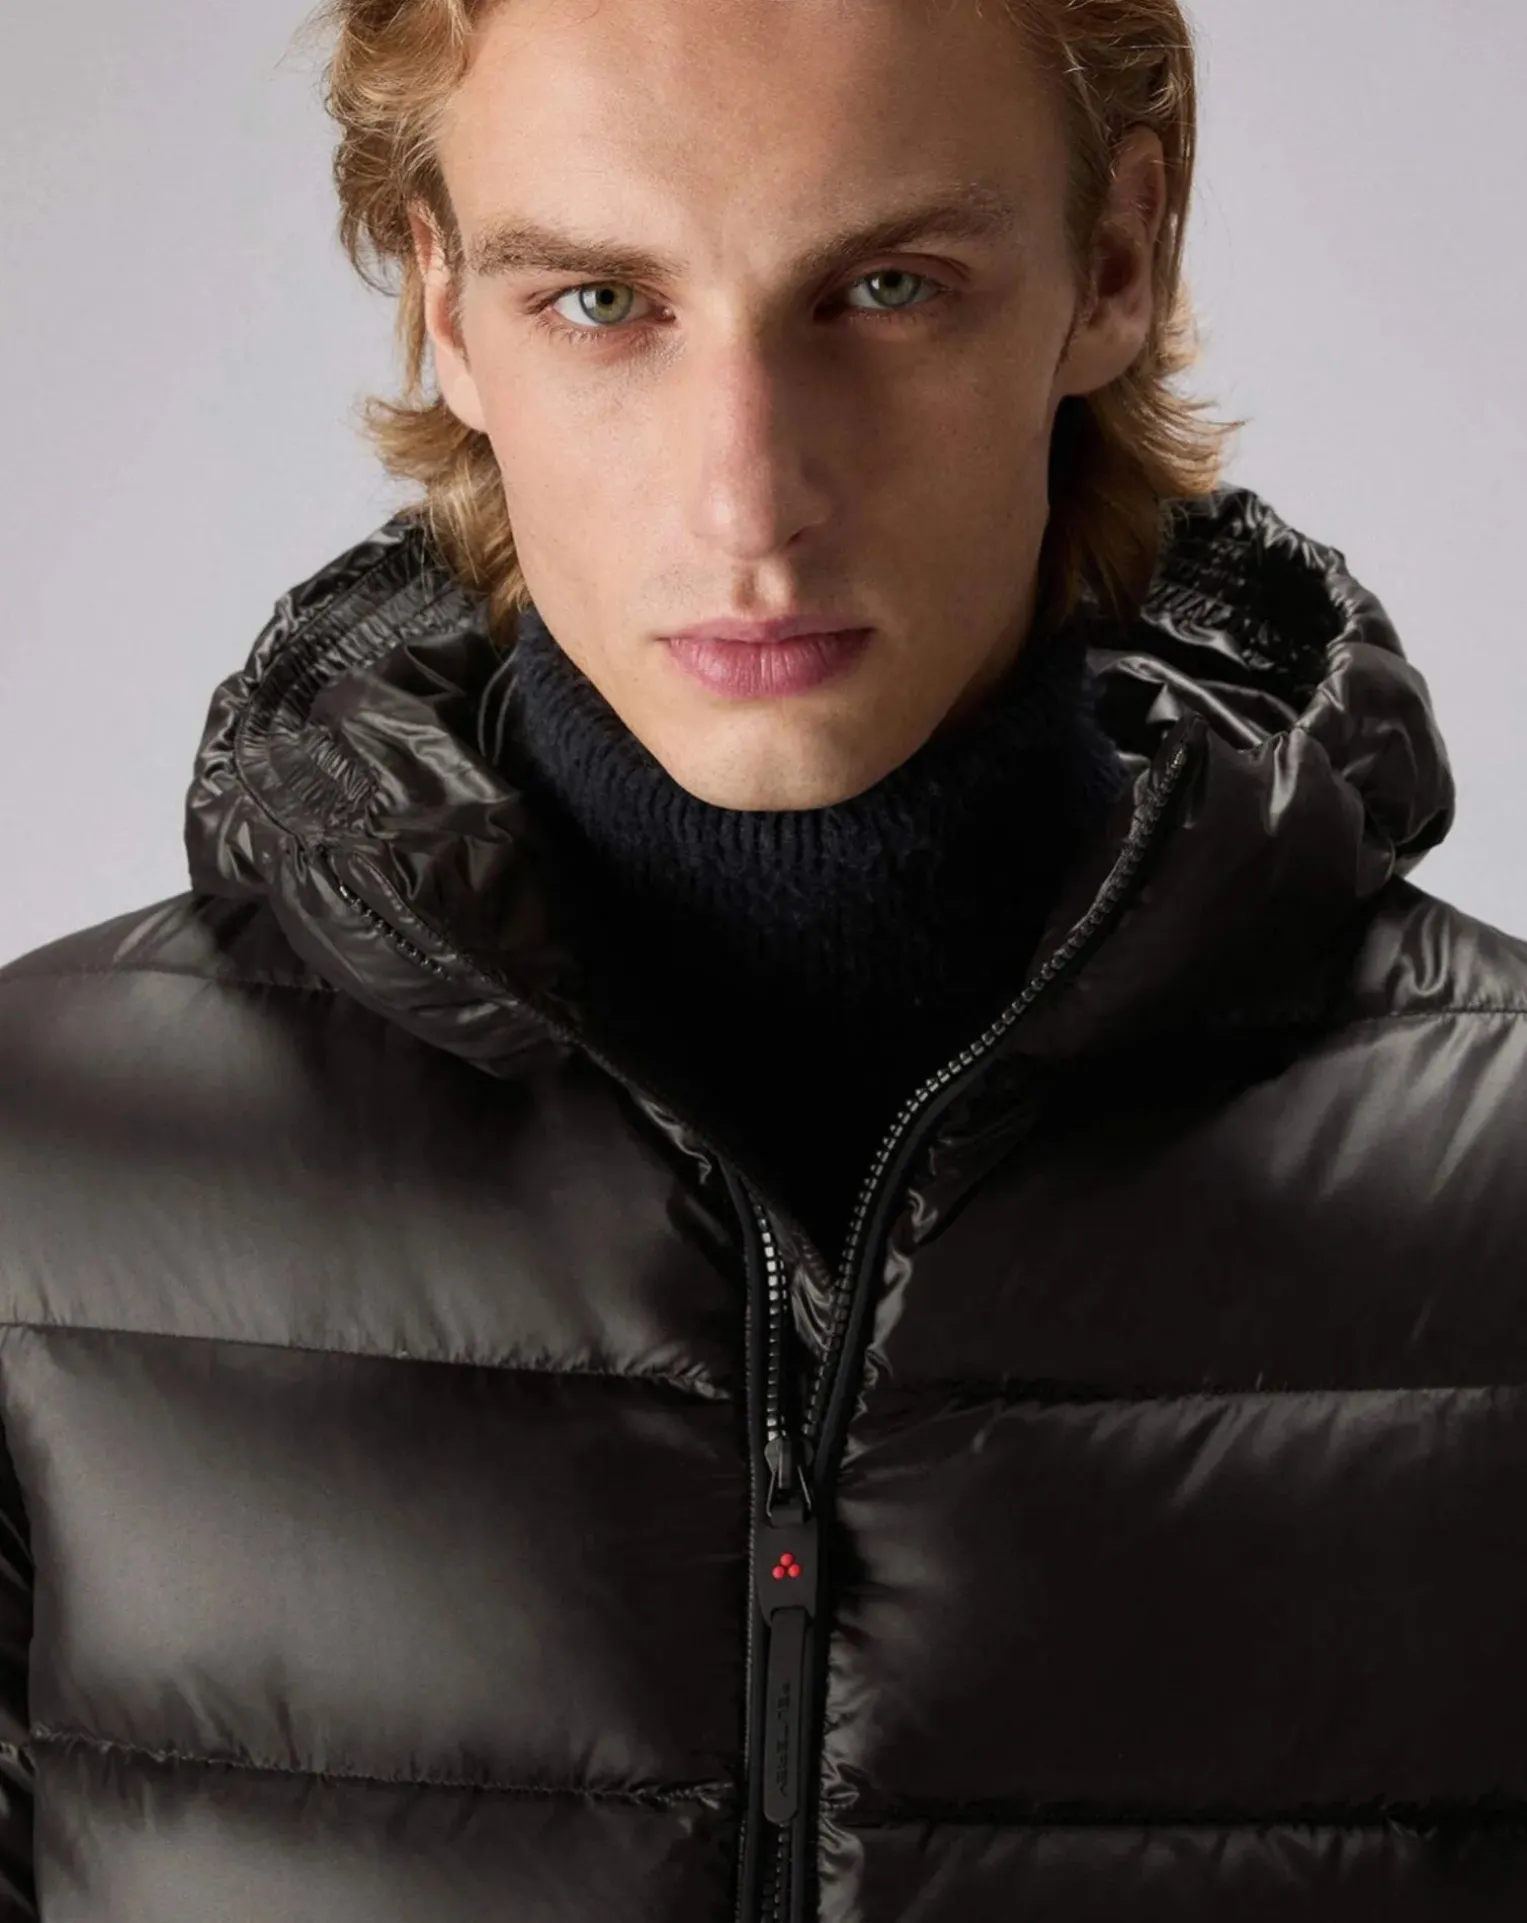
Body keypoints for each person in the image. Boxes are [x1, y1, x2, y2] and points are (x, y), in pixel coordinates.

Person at [2, 0, 1525, 1916]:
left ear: (1115, 266)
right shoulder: (39, 1170)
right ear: (443, 308)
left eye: (885, 288)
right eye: (600, 302)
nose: (749, 497)